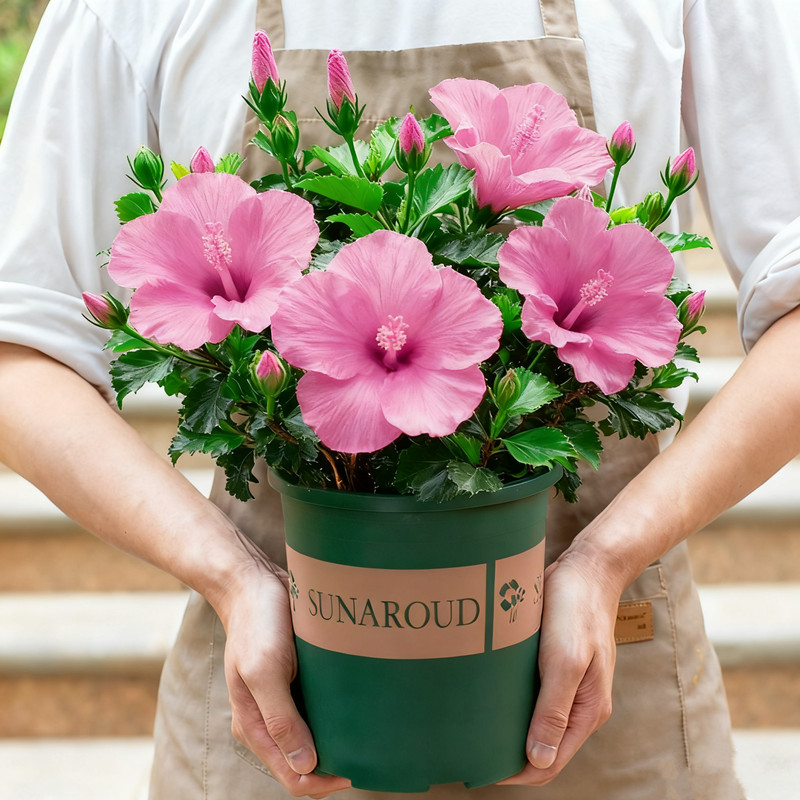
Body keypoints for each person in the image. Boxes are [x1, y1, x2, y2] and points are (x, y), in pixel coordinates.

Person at [1, 0, 799, 797]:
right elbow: (19, 352)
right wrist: (231, 578)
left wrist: (605, 559)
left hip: (610, 665)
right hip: (279, 684)